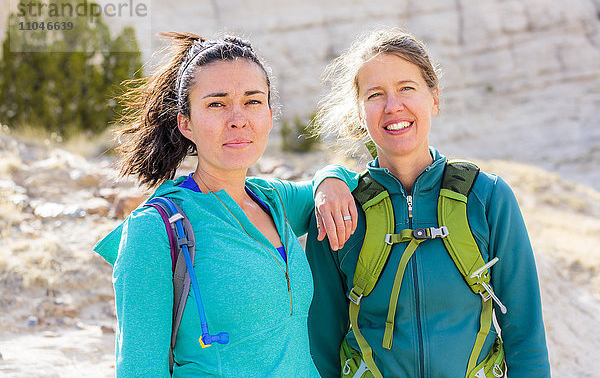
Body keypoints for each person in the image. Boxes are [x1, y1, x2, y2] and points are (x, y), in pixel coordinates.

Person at [93, 32, 357, 377]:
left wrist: (331, 177)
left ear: (270, 114)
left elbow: (348, 181)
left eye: (252, 101)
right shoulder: (155, 230)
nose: (238, 119)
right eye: (216, 104)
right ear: (185, 123)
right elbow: (139, 369)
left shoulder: (274, 201)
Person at [305, 27, 551, 378]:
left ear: (434, 97)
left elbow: (525, 333)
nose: (393, 107)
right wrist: (326, 177)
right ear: (359, 112)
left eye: (407, 88)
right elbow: (321, 347)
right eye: (375, 94)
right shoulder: (338, 210)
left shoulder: (487, 197)